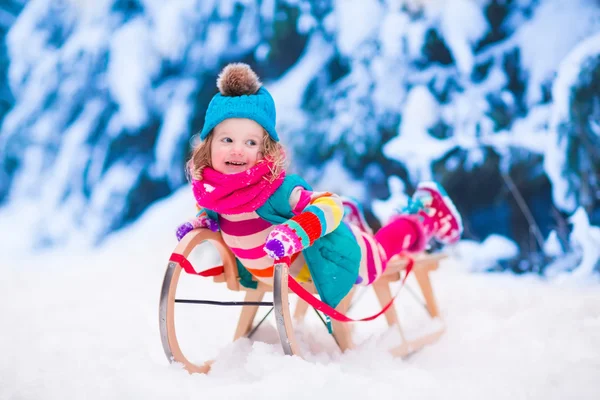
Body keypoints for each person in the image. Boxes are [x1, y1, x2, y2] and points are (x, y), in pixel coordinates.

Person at [175, 63, 463, 309]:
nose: (238, 150)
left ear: (264, 151)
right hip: (286, 273)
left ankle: (421, 216)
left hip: (323, 260)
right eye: (227, 140)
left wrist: (297, 233)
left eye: (250, 142)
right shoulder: (215, 196)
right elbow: (220, 218)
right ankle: (355, 221)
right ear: (207, 146)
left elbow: (329, 204)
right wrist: (201, 222)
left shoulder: (276, 193)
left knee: (378, 256)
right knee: (359, 239)